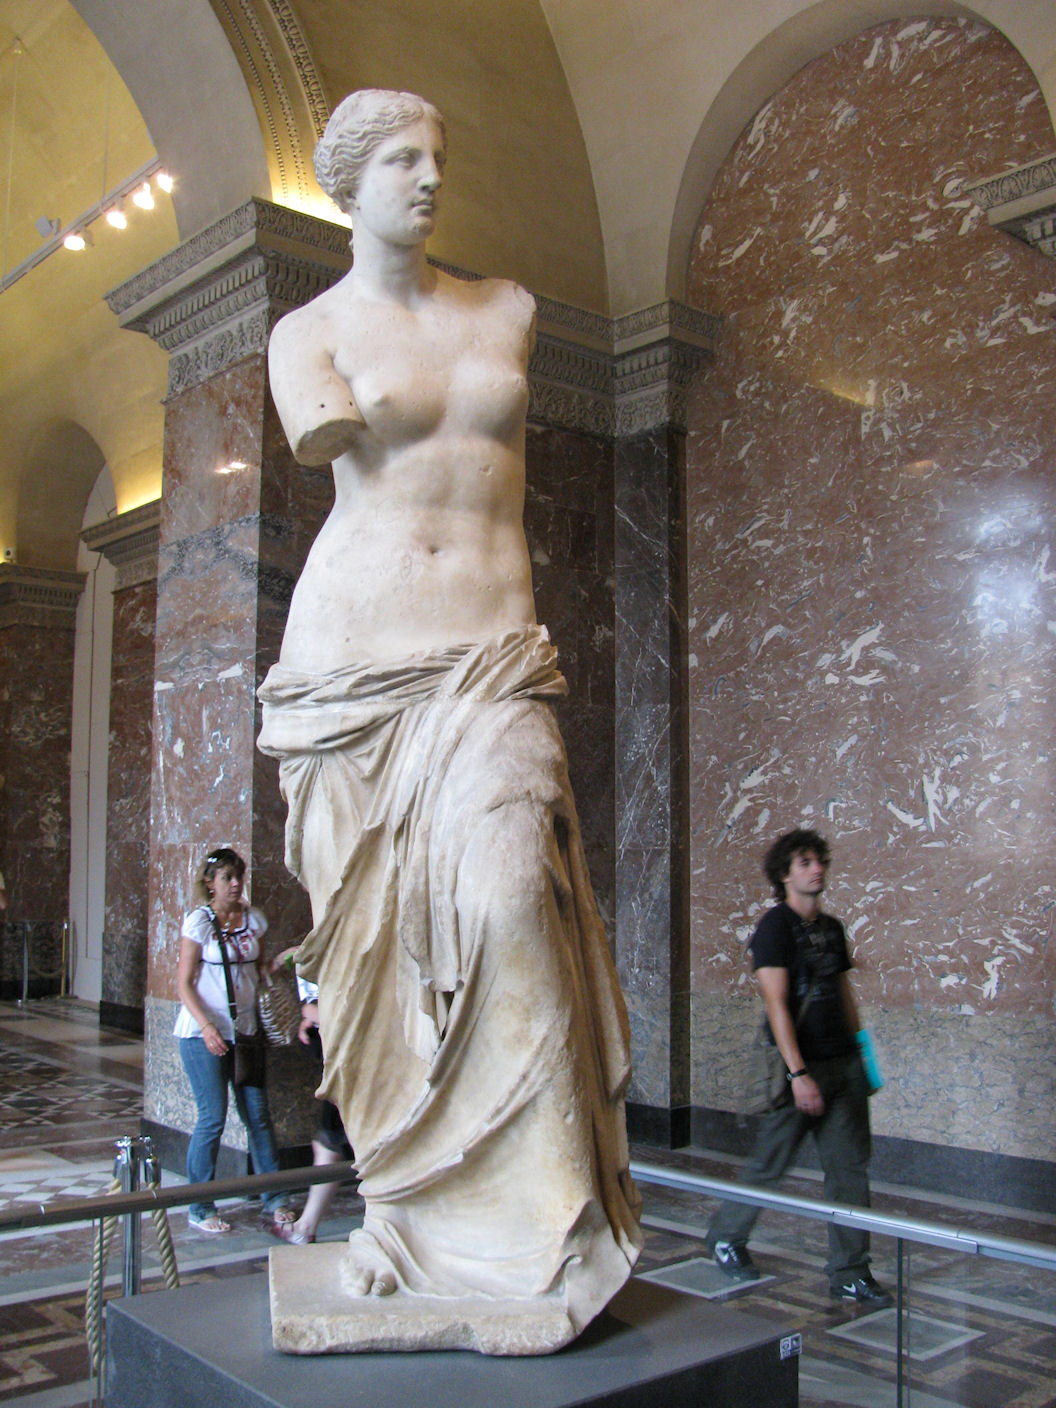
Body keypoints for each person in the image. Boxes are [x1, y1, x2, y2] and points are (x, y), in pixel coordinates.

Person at [258, 89, 640, 1345]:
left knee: (510, 899)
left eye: (437, 157)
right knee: (379, 974)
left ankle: (539, 1226)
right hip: (352, 678)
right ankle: (401, 1214)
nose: (428, 178)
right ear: (347, 184)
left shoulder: (504, 309)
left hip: (489, 665)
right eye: (400, 161)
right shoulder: (309, 334)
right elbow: (321, 437)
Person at [705, 828, 892, 1306]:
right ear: (784, 874)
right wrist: (797, 1074)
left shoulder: (832, 929)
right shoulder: (775, 927)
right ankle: (726, 1236)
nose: (817, 869)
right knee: (770, 1162)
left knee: (849, 1172)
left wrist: (863, 1057)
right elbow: (776, 1004)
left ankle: (850, 1270)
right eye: (805, 862)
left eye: (819, 861)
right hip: (802, 1070)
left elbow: (844, 994)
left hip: (843, 1064)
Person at [174, 846, 294, 1234]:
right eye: (227, 877)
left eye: (239, 876)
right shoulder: (199, 922)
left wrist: (286, 959)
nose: (236, 884)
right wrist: (206, 1026)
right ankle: (200, 1206)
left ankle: (274, 1198)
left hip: (246, 1033)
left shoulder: (252, 920)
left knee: (257, 1115)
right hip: (203, 1035)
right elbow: (183, 984)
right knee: (212, 1117)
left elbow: (258, 970)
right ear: (210, 883)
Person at [272, 973, 354, 1245]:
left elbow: (352, 1009)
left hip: (354, 1064)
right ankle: (305, 1226)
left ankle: (305, 1227)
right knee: (328, 1143)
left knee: (332, 1143)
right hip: (344, 1064)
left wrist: (311, 1012)